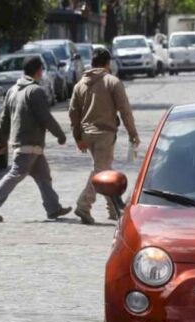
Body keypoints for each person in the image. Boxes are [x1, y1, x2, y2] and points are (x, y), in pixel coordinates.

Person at [0, 56, 71, 223]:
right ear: (38, 71)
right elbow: (46, 117)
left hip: (23, 142)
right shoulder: (35, 91)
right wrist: (60, 135)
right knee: (16, 174)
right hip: (30, 142)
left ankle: (53, 208)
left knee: (43, 176)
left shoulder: (13, 91)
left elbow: (4, 120)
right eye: (41, 70)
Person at [69, 47, 140, 225]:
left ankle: (114, 209)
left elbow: (73, 113)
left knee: (105, 169)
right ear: (108, 64)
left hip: (87, 134)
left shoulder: (80, 85)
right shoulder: (112, 82)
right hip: (105, 134)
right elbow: (125, 110)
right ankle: (83, 205)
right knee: (101, 171)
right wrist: (133, 134)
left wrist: (78, 137)